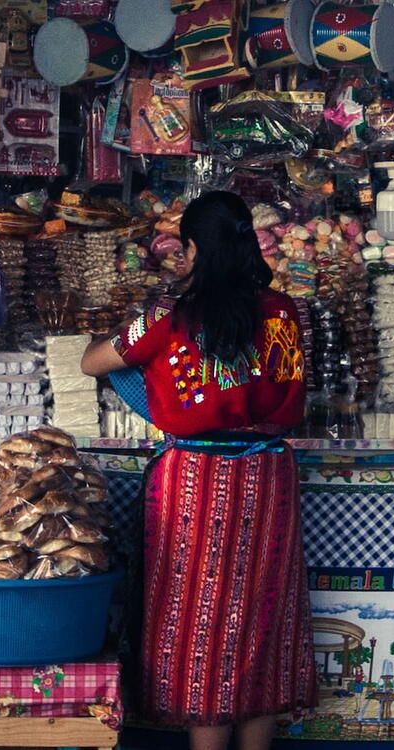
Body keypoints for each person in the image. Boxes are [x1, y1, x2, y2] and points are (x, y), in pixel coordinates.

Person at [83, 191, 313, 750]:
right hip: (267, 480)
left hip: (196, 484)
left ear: (191, 249)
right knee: (263, 617)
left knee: (200, 623)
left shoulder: (169, 316)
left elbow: (93, 362)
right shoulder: (282, 311)